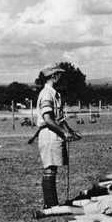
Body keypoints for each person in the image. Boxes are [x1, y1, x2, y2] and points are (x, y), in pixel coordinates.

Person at [35, 63, 77, 208]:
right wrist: (63, 132)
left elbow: (59, 118)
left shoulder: (54, 93)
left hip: (54, 133)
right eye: (59, 74)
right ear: (54, 76)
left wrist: (69, 131)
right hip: (49, 134)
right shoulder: (47, 93)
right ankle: (50, 205)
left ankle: (52, 204)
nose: (61, 77)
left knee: (52, 168)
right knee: (50, 168)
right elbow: (48, 119)